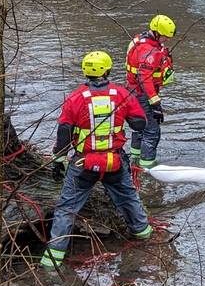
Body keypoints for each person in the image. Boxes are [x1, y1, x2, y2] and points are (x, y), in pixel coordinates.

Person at [41, 51, 153, 269]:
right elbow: (140, 124)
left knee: (66, 208)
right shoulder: (121, 94)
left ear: (85, 71)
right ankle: (144, 235)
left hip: (83, 165)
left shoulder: (75, 98)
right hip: (115, 162)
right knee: (128, 198)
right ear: (108, 70)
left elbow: (64, 132)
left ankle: (51, 260)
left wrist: (58, 160)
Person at [125, 14, 176, 169]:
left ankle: (134, 160)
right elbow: (144, 78)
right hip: (143, 94)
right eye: (165, 37)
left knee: (139, 127)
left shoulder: (139, 40)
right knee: (152, 131)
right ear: (157, 33)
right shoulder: (150, 51)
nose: (166, 40)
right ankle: (147, 168)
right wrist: (155, 103)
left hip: (133, 91)